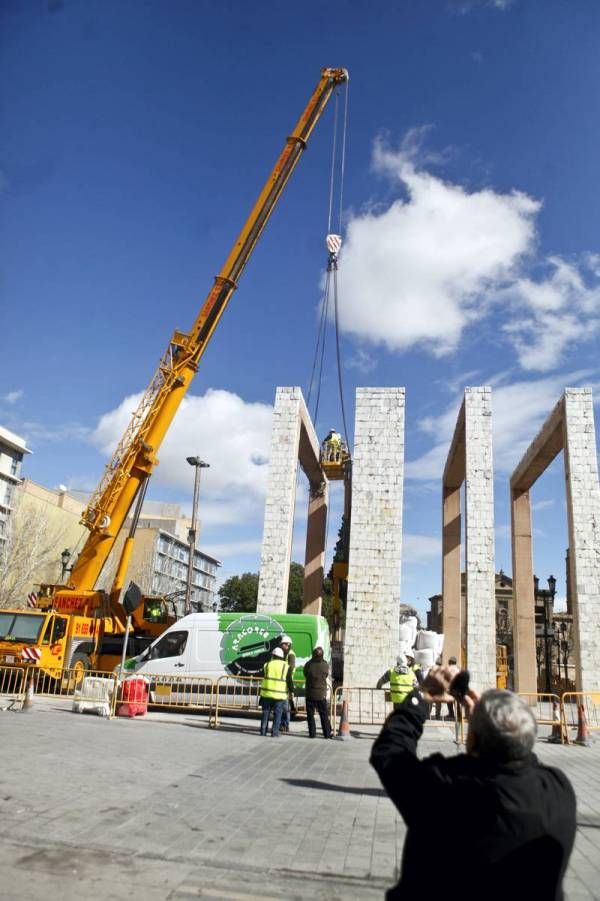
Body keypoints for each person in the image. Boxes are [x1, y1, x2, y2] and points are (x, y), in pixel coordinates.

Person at [370, 666, 576, 901]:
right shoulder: (559, 788)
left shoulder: (450, 794)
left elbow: (389, 753)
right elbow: (520, 759)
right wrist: (488, 723)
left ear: (474, 739)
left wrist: (422, 696)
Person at [303, 645, 333, 738]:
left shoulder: (309, 664)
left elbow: (305, 673)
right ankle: (327, 734)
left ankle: (312, 734)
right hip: (321, 694)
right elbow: (326, 674)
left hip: (310, 693)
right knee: (324, 715)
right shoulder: (325, 665)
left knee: (310, 715)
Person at [259, 647, 289, 737]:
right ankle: (274, 732)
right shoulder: (286, 666)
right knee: (278, 714)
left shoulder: (267, 665)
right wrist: (291, 691)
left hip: (266, 694)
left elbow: (262, 675)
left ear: (273, 655)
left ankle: (263, 731)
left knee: (265, 713)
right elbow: (289, 681)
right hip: (280, 695)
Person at [279, 634, 296, 733]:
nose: (282, 646)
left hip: (287, 682)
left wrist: (291, 688)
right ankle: (282, 724)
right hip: (281, 682)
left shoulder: (291, 655)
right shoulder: (283, 653)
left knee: (285, 707)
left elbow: (290, 669)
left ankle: (285, 724)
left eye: (283, 644)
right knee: (281, 706)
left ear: (288, 644)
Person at [434, 655, 459, 720]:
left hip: (451, 690)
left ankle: (451, 714)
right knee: (456, 702)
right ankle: (458, 716)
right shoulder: (458, 670)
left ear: (450, 662)